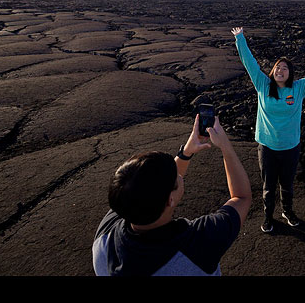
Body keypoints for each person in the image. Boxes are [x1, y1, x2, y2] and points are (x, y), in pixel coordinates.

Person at [92, 113, 251, 276]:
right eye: (177, 177)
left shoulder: (105, 237)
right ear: (170, 200)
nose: (180, 175)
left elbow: (150, 186)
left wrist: (186, 153)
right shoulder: (200, 243)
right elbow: (242, 197)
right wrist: (226, 147)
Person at [231, 26, 305, 233]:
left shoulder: (299, 88)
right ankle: (268, 217)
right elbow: (249, 63)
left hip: (290, 147)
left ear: (290, 73)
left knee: (287, 185)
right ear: (273, 71)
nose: (280, 70)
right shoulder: (263, 84)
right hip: (267, 147)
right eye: (278, 67)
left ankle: (287, 211)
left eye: (284, 68)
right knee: (268, 188)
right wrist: (240, 39)